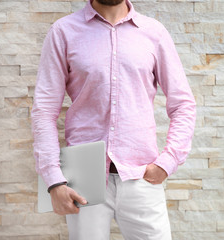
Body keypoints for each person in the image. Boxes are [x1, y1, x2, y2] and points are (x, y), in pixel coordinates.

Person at [30, 0, 196, 239]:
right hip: (82, 173)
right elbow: (44, 110)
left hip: (142, 174)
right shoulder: (63, 31)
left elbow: (183, 104)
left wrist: (168, 161)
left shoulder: (154, 32)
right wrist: (54, 180)